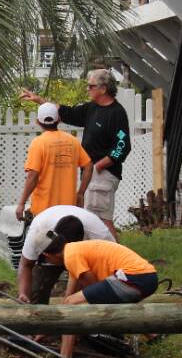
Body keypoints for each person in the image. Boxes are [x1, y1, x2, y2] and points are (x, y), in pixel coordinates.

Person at [19, 69, 131, 238]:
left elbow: (123, 145)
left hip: (103, 175)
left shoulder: (116, 113)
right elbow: (67, 113)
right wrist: (40, 101)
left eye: (91, 86)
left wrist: (100, 165)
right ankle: (103, 258)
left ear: (103, 88)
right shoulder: (92, 108)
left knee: (101, 221)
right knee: (94, 220)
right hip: (93, 173)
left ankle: (118, 259)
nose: (88, 89)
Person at [39, 231, 158, 358]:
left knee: (72, 305)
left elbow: (91, 286)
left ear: (47, 255)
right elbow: (67, 299)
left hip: (134, 277)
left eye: (47, 261)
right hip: (146, 276)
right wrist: (48, 328)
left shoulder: (71, 257)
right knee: (71, 303)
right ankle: (154, 335)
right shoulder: (74, 250)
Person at [16, 207, 114, 304]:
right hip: (52, 248)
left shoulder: (99, 234)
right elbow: (25, 265)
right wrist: (23, 293)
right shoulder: (39, 233)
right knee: (36, 292)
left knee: (86, 296)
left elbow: (115, 262)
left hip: (88, 258)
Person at [14, 103, 92, 222]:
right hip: (68, 211)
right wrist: (80, 193)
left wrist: (21, 203)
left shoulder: (38, 143)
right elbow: (88, 165)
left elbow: (33, 176)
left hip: (43, 212)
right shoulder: (73, 141)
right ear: (59, 120)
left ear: (38, 122)